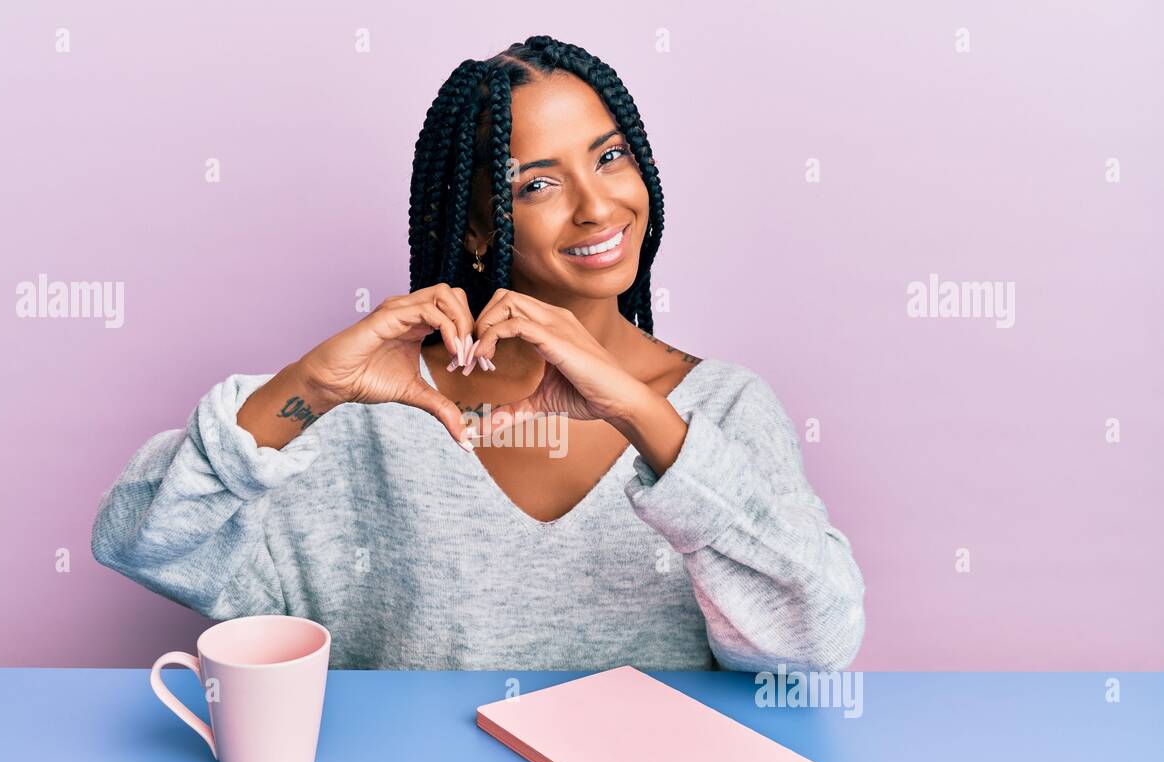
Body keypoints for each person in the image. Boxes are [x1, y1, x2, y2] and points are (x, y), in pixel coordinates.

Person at [91, 35, 866, 672]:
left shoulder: (723, 409)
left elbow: (816, 644)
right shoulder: (366, 415)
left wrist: (643, 414)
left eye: (610, 157)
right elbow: (139, 542)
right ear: (476, 228)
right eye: (537, 185)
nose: (597, 205)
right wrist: (307, 388)